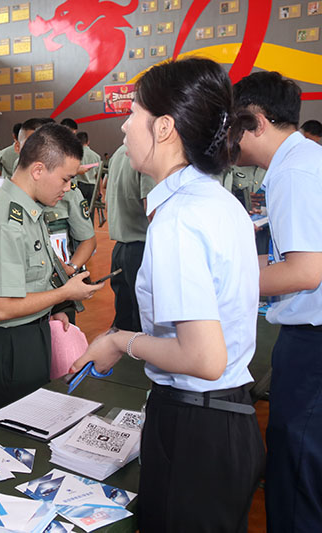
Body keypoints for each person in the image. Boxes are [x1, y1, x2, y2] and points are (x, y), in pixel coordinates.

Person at [73, 58, 265, 532]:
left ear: (162, 127)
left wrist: (120, 341)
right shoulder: (217, 200)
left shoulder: (180, 218)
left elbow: (203, 358)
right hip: (225, 420)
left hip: (196, 429)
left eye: (132, 112)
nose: (122, 124)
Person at [234, 71, 322, 532]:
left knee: (296, 466)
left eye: (234, 125)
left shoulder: (294, 171)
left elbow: (306, 271)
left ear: (258, 121)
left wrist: (232, 282)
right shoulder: (306, 158)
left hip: (314, 344)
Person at [0, 123, 102, 412]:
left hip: (31, 334)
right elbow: (1, 307)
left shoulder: (27, 210)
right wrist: (64, 294)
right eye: (66, 179)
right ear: (39, 170)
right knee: (16, 433)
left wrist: (53, 309)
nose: (68, 188)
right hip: (12, 346)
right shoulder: (7, 223)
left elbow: (31, 279)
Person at [19, 118, 96, 279]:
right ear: (18, 147)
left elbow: (87, 239)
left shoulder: (68, 193)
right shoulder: (8, 194)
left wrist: (71, 268)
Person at [105, 144, 155, 332]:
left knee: (125, 319)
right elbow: (152, 209)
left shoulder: (119, 152)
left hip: (120, 248)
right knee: (145, 323)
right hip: (141, 250)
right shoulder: (148, 153)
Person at [74, 131, 102, 210]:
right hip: (92, 187)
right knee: (90, 211)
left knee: (79, 211)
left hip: (80, 185)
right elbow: (98, 175)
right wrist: (99, 191)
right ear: (88, 142)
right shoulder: (96, 156)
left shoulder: (75, 155)